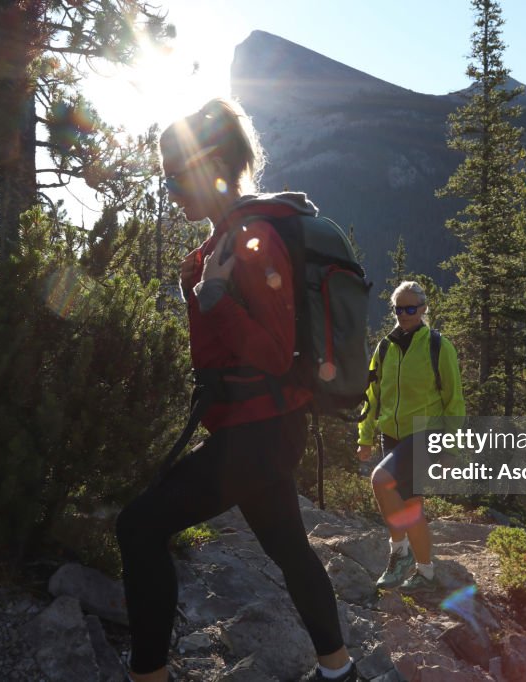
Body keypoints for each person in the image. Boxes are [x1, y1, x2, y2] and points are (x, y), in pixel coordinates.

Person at [116, 98, 360, 682]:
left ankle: (148, 676)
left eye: (175, 176)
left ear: (212, 165)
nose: (170, 191)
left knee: (139, 526)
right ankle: (339, 669)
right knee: (289, 548)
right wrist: (199, 291)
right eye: (165, 177)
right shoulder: (225, 241)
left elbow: (273, 354)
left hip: (258, 431)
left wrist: (214, 298)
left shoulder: (252, 238)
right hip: (261, 429)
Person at [356, 282, 465, 593]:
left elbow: (454, 400)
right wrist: (365, 436)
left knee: (380, 479)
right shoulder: (385, 348)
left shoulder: (437, 346)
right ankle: (427, 572)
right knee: (411, 504)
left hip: (425, 432)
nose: (404, 315)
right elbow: (371, 395)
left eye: (411, 308)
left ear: (424, 309)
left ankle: (399, 551)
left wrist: (451, 448)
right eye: (398, 309)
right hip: (391, 434)